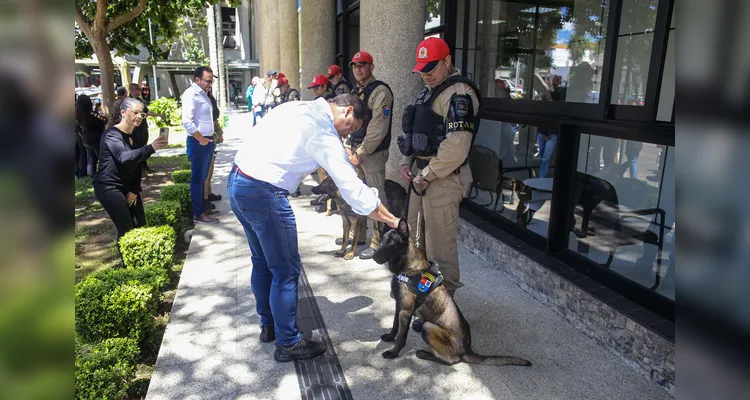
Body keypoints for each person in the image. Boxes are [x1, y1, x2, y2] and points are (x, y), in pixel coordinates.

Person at [228, 93, 400, 362]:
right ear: (347, 112)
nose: (347, 134)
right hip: (264, 193)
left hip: (239, 182)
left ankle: (269, 326)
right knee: (285, 271)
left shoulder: (297, 107)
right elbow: (352, 190)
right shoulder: (322, 131)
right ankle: (288, 343)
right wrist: (391, 220)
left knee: (262, 261)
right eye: (351, 127)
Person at [398, 37, 481, 297]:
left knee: (440, 247)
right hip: (421, 175)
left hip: (442, 178)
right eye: (422, 69)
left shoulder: (459, 95)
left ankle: (446, 308)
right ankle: (426, 296)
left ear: (447, 61)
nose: (426, 75)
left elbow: (456, 147)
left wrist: (426, 174)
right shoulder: (430, 90)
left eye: (431, 68)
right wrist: (407, 162)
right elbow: (415, 130)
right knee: (415, 238)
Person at [93, 98, 168, 245]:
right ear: (123, 112)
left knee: (140, 223)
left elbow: (137, 163)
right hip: (108, 188)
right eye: (135, 112)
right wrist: (150, 148)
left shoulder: (134, 136)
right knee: (126, 228)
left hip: (127, 188)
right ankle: (126, 265)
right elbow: (123, 157)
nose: (139, 116)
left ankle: (139, 261)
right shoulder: (111, 135)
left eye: (142, 114)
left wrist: (134, 190)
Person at [347, 50, 394, 260]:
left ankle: (378, 242)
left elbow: (378, 128)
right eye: (355, 65)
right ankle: (359, 237)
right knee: (357, 195)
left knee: (376, 197)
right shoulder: (356, 90)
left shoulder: (380, 91)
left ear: (371, 67)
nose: (358, 69)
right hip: (356, 150)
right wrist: (349, 147)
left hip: (372, 154)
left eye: (362, 65)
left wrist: (360, 152)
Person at [182, 66, 220, 223]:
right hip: (199, 142)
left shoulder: (203, 94)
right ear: (197, 79)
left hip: (207, 140)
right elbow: (187, 121)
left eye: (211, 81)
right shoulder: (191, 94)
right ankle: (198, 213)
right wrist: (201, 139)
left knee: (203, 177)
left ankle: (204, 208)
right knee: (198, 179)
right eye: (207, 81)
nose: (210, 84)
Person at [129, 83, 165, 173]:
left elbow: (147, 112)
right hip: (135, 128)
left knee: (143, 145)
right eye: (138, 89)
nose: (139, 91)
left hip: (143, 127)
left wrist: (159, 115)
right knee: (136, 146)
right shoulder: (128, 101)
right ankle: (137, 166)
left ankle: (144, 165)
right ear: (132, 90)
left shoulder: (139, 100)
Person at [75, 94, 107, 177]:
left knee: (90, 158)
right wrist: (102, 109)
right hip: (96, 139)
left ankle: (91, 174)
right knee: (102, 158)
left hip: (85, 139)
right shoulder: (91, 114)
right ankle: (105, 174)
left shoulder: (78, 115)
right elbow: (104, 120)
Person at [204, 86, 224, 207]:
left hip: (211, 135)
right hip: (202, 138)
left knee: (210, 169)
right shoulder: (197, 96)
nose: (209, 83)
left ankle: (209, 193)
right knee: (204, 172)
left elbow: (214, 118)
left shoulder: (209, 96)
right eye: (207, 80)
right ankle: (204, 199)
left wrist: (219, 133)